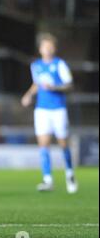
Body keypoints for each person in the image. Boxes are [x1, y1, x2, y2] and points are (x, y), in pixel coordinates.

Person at [21, 33, 78, 194]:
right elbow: (37, 84)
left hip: (58, 109)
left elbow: (69, 85)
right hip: (42, 109)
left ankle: (69, 173)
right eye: (45, 46)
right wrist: (28, 95)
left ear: (54, 48)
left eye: (50, 46)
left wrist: (54, 87)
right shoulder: (36, 66)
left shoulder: (60, 64)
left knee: (63, 143)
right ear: (40, 49)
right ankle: (48, 180)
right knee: (43, 144)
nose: (47, 49)